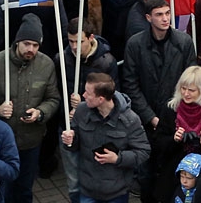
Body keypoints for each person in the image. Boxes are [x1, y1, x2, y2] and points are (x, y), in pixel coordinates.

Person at [0, 14, 61, 203]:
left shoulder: (46, 65)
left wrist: (41, 112)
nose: (31, 49)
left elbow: (53, 98)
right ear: (17, 41)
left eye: (36, 45)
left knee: (24, 190)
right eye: (27, 44)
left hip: (30, 141)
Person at [60, 73, 150, 203]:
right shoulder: (81, 111)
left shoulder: (130, 120)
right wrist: (70, 140)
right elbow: (74, 145)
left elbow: (144, 152)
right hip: (88, 189)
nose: (83, 96)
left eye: (87, 93)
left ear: (101, 99)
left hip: (116, 192)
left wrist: (118, 158)